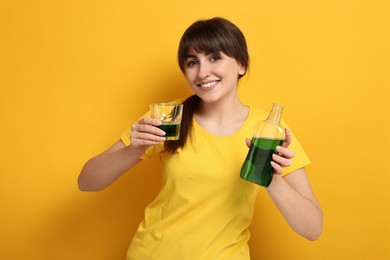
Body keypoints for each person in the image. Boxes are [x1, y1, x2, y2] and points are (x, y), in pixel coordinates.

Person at [78, 17, 322, 259]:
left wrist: (269, 176)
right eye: (192, 62)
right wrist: (133, 150)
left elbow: (312, 228)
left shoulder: (268, 131)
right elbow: (87, 181)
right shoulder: (169, 117)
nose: (203, 73)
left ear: (241, 65)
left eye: (215, 57)